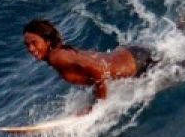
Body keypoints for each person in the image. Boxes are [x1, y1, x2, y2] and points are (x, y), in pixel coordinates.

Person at [23, 19, 157, 111]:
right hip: (131, 55)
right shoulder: (60, 53)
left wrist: (99, 107)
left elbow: (98, 71)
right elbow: (94, 73)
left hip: (137, 62)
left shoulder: (57, 57)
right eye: (27, 45)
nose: (30, 48)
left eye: (34, 43)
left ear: (47, 41)